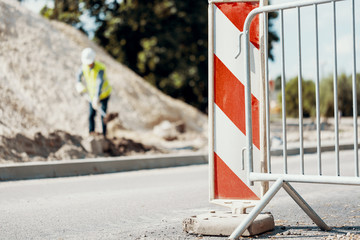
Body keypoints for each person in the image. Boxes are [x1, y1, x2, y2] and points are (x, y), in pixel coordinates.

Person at [76, 48, 112, 137]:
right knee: (91, 114)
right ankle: (91, 133)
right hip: (92, 96)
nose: (89, 64)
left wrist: (97, 97)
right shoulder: (84, 66)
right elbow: (78, 75)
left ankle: (104, 135)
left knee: (103, 115)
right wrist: (78, 83)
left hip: (104, 95)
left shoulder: (100, 68)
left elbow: (100, 83)